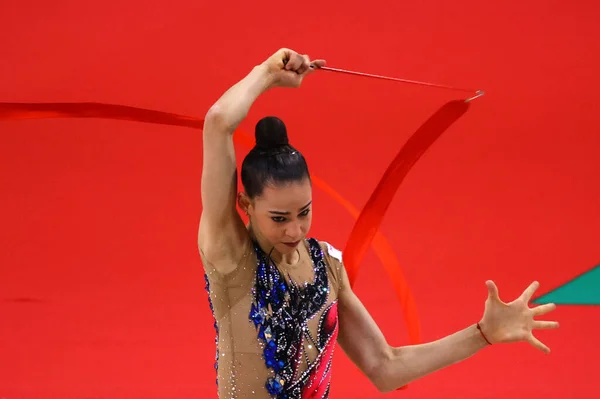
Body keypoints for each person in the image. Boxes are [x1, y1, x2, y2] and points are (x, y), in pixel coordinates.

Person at [197, 48, 559, 398]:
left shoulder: (326, 266)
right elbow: (218, 122)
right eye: (279, 219)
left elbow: (385, 367)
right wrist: (269, 73)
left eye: (304, 212)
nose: (295, 230)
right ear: (245, 204)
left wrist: (482, 334)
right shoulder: (232, 258)